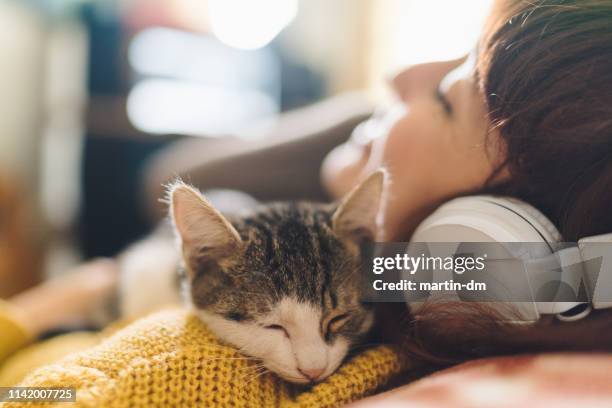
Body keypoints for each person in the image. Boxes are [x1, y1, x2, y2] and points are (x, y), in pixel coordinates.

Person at [2, 0, 612, 405]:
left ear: (487, 247)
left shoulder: (182, 366)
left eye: (451, 98)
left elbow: (28, 398)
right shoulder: (361, 275)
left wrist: (40, 308)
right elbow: (174, 176)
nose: (400, 76)